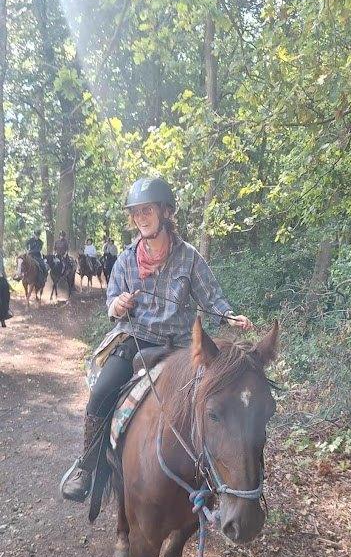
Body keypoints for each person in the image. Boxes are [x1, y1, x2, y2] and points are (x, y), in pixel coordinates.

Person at [61, 176, 253, 502]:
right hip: (136, 338)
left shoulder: (189, 257)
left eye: (147, 210)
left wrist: (230, 316)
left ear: (166, 211)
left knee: (217, 400)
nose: (141, 217)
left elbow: (212, 298)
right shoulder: (125, 259)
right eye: (136, 212)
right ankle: (88, 466)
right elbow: (112, 301)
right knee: (102, 391)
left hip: (180, 345)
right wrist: (118, 304)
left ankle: (220, 477)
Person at [0, 246, 12, 327]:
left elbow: (2, 269)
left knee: (6, 296)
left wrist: (6, 279)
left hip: (1, 278)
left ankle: (5, 314)